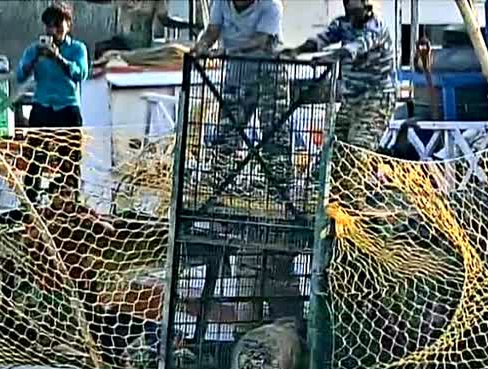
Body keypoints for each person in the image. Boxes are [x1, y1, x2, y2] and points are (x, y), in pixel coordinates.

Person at [190, 0, 304, 336]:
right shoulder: (222, 4)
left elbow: (261, 41)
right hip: (238, 74)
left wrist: (224, 49)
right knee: (226, 132)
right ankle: (217, 181)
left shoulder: (270, 6)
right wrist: (200, 48)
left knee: (275, 137)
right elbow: (212, 31)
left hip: (268, 74)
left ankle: (279, 188)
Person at [285, 0, 396, 150]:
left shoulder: (375, 26)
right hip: (351, 98)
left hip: (376, 98)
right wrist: (296, 51)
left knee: (358, 150)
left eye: (356, 7)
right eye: (348, 6)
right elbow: (322, 39)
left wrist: (330, 57)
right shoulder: (343, 23)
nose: (352, 12)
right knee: (336, 149)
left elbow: (355, 47)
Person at [15, 1, 90, 204]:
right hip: (42, 107)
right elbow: (20, 75)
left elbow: (81, 73)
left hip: (67, 108)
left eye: (58, 24)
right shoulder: (35, 49)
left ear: (68, 24)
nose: (53, 29)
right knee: (35, 159)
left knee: (70, 161)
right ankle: (30, 204)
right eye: (49, 25)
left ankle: (70, 203)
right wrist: (34, 60)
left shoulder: (77, 48)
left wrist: (58, 59)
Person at [91, 0, 198, 58]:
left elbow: (165, 20)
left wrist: (190, 26)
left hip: (140, 44)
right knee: (100, 49)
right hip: (121, 40)